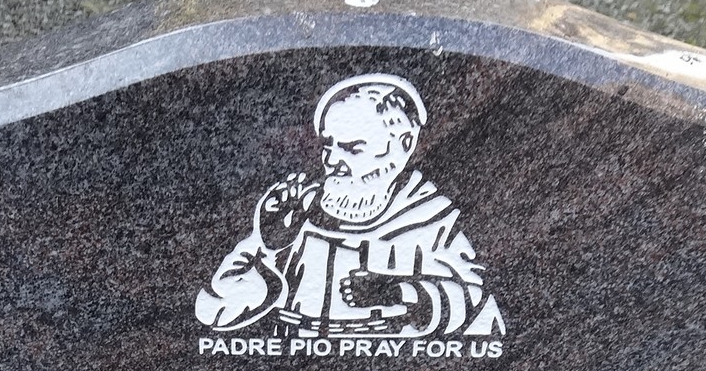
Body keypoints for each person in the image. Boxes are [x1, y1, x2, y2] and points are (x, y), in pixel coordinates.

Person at [195, 75, 502, 338]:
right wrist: (267, 246)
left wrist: (396, 292)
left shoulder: (430, 219)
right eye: (328, 145)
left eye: (352, 148)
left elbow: (474, 299)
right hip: (291, 362)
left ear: (404, 144)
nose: (331, 161)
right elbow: (214, 312)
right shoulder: (297, 211)